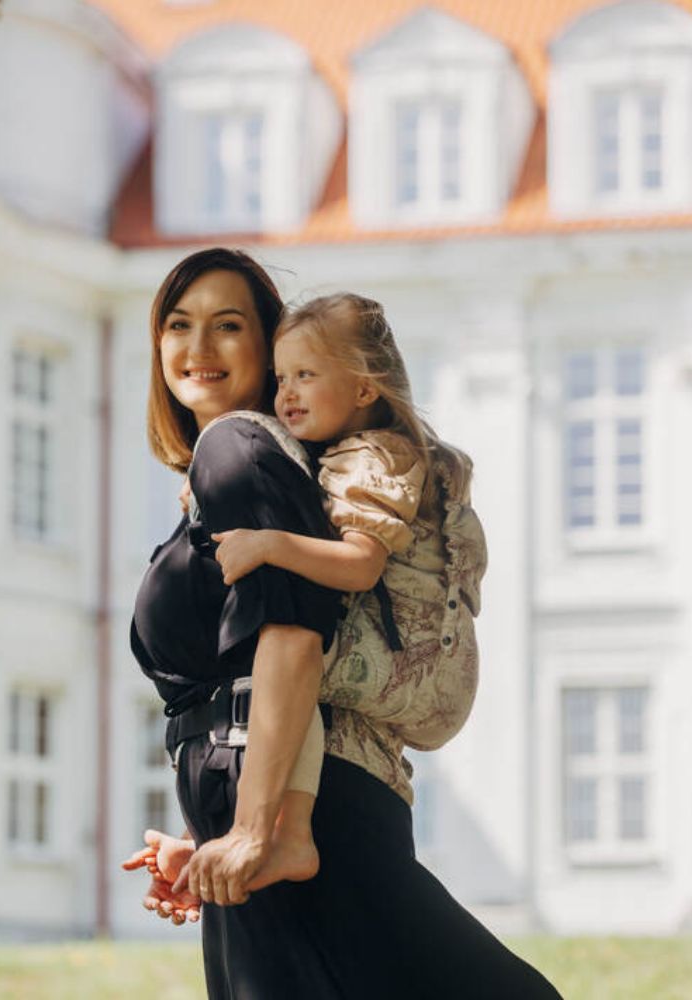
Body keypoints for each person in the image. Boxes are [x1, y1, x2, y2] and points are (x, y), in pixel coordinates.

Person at [124, 248, 563, 999]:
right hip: (264, 807)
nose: (197, 348)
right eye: (178, 324)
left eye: (228, 325)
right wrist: (212, 843)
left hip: (295, 814)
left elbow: (293, 636)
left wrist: (259, 830)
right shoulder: (226, 468)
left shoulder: (240, 448)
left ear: (272, 343)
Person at [204, 291, 478, 892]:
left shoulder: (378, 456)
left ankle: (288, 832)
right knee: (306, 669)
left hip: (418, 660)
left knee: (290, 653)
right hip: (407, 665)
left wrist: (268, 542)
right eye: (281, 378)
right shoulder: (352, 454)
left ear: (363, 389)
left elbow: (358, 566)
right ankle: (293, 834)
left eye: (306, 375)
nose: (287, 393)